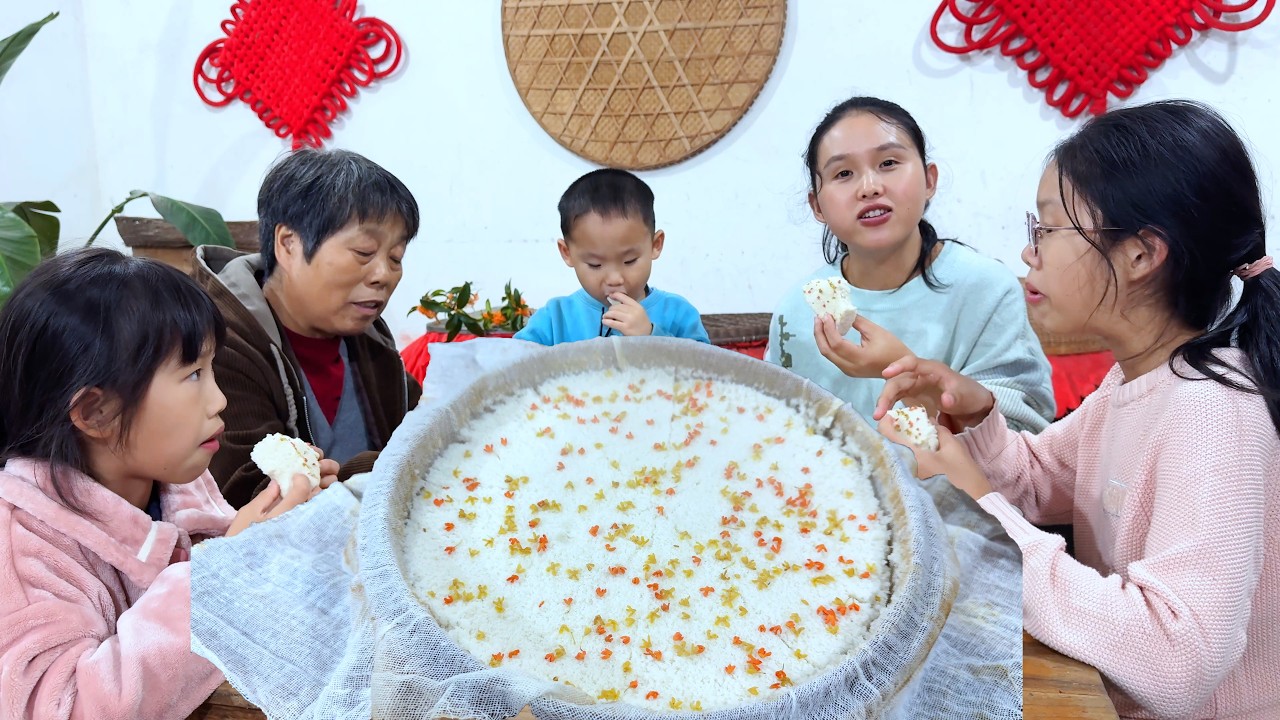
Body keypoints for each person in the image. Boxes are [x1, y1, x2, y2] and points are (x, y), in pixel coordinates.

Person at [877, 100, 1279, 718]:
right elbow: (1040, 482)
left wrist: (978, 504)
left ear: (1142, 255)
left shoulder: (1212, 412)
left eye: (1048, 230)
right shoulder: (1137, 378)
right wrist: (978, 413)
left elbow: (1179, 659)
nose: (1028, 253)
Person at [0, 248, 334, 718]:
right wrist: (225, 572)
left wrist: (281, 524)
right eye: (194, 374)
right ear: (98, 412)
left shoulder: (183, 483)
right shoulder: (22, 547)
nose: (219, 399)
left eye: (212, 369)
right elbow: (64, 707)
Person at [766, 96, 1054, 431]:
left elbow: (1025, 435)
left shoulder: (985, 289)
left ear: (930, 180)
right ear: (817, 206)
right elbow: (777, 431)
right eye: (843, 173)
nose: (870, 187)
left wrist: (906, 372)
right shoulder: (796, 311)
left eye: (888, 163)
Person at [192, 148, 422, 508]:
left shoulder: (370, 339)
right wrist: (387, 466)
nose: (384, 275)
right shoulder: (219, 345)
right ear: (288, 244)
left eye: (396, 258)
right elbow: (251, 495)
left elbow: (422, 428)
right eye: (364, 252)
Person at [514, 168, 710, 345]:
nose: (615, 279)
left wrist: (651, 336)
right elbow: (512, 364)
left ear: (655, 245)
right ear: (567, 253)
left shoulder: (678, 314)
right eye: (595, 264)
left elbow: (706, 371)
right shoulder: (555, 319)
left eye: (629, 261)